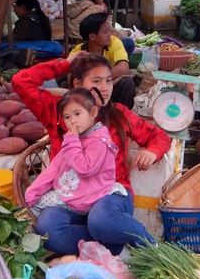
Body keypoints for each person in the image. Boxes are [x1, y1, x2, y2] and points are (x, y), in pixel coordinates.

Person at [12, 53, 171, 255]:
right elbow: (20, 81)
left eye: (108, 80)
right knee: (48, 230)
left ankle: (149, 245)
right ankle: (112, 245)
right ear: (77, 83)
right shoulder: (57, 112)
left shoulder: (119, 114)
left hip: (109, 195)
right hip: (68, 197)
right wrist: (64, 65)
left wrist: (152, 151)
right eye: (96, 81)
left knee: (101, 221)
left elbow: (160, 137)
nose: (104, 88)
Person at [25, 88, 118, 217]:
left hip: (87, 197)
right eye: (67, 117)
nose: (73, 121)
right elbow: (54, 168)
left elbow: (84, 168)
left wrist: (72, 142)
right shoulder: (76, 137)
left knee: (37, 206)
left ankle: (29, 231)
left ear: (93, 112)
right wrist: (33, 192)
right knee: (34, 203)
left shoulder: (99, 141)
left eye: (77, 114)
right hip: (73, 191)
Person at [70, 12, 136, 109]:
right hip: (89, 94)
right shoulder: (78, 52)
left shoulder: (113, 42)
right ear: (92, 36)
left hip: (110, 89)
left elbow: (123, 68)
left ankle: (123, 117)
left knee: (127, 82)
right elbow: (73, 82)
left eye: (109, 30)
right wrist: (111, 80)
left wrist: (99, 81)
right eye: (105, 32)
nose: (109, 34)